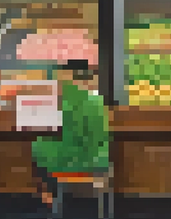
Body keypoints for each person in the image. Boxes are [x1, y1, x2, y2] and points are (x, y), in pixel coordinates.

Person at [31, 59, 111, 211]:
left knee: (35, 153)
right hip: (96, 162)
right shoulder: (97, 102)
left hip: (63, 162)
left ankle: (50, 200)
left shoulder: (56, 101)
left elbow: (40, 134)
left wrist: (36, 146)